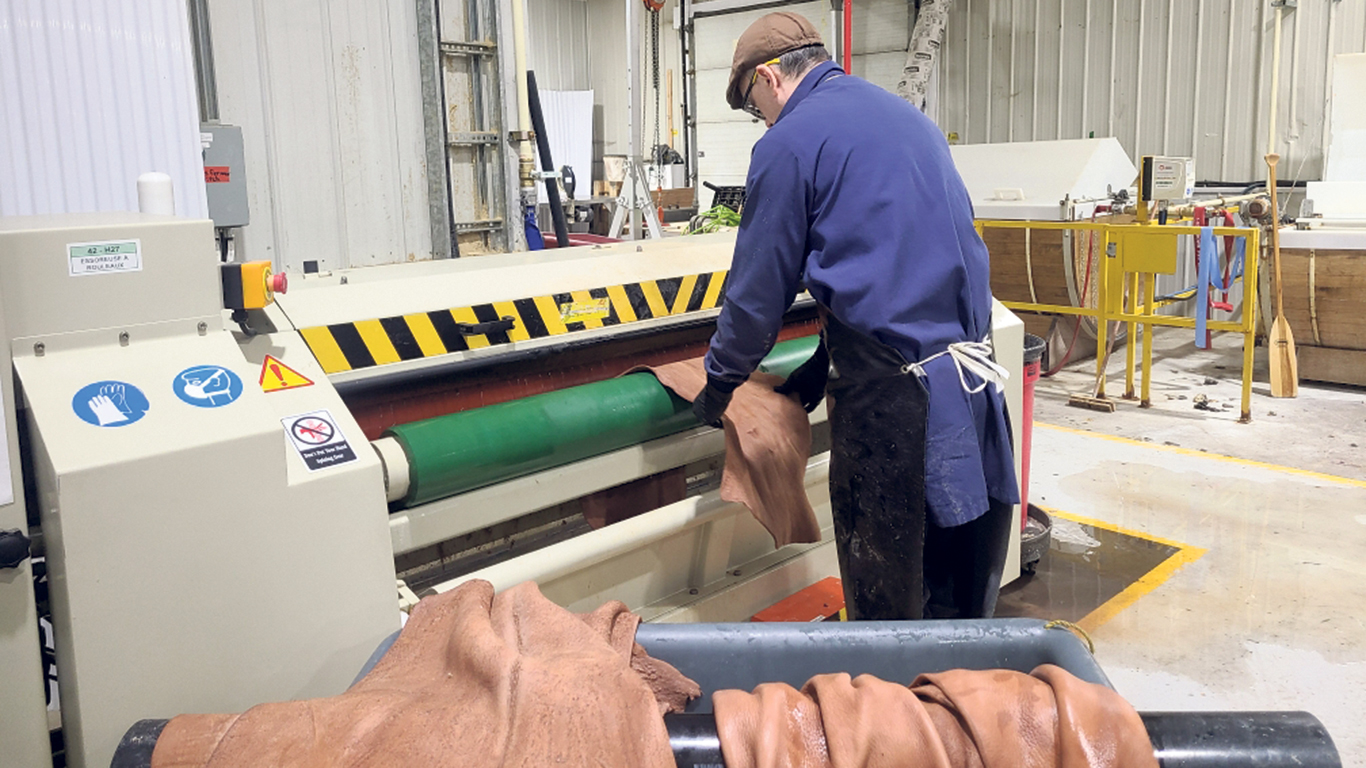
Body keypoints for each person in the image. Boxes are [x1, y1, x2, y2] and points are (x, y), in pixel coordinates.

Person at [690, 12, 1019, 621]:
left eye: (752, 103)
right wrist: (824, 361)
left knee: (889, 615)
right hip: (970, 390)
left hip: (897, 414)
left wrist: (719, 382)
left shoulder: (788, 142)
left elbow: (758, 290)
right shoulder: (908, 120)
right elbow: (902, 260)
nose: (760, 117)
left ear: (769, 76)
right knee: (957, 607)